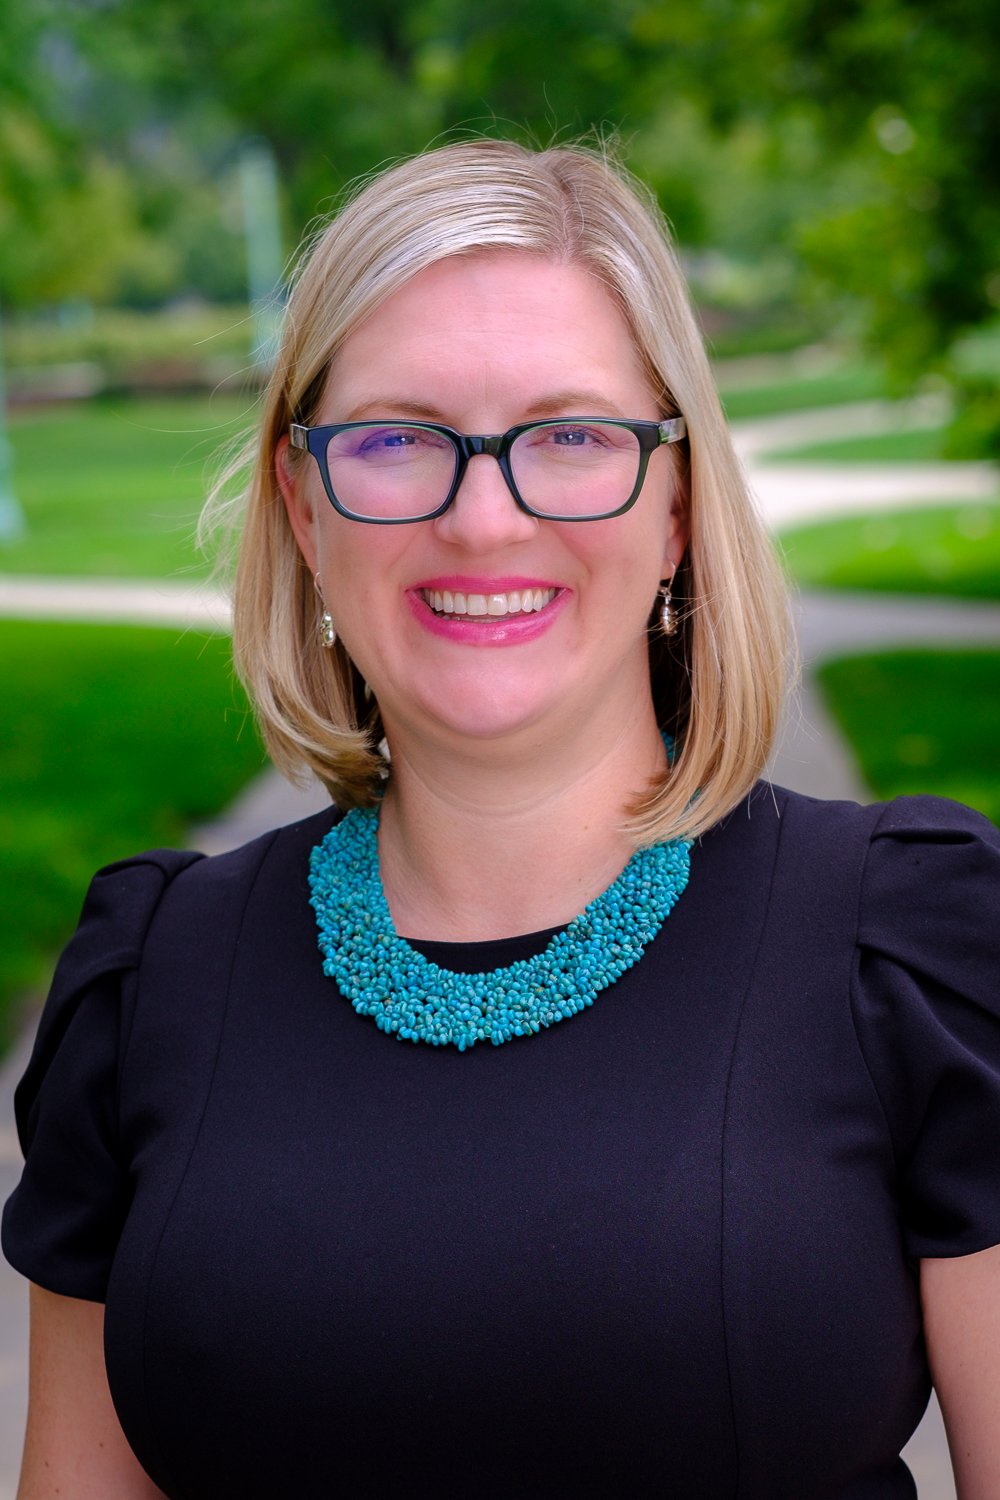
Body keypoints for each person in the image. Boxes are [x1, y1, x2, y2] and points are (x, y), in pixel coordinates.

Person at [4, 137, 1000, 1500]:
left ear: (680, 503)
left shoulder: (917, 949)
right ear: (305, 504)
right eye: (401, 439)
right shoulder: (151, 979)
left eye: (571, 435)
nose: (484, 519)